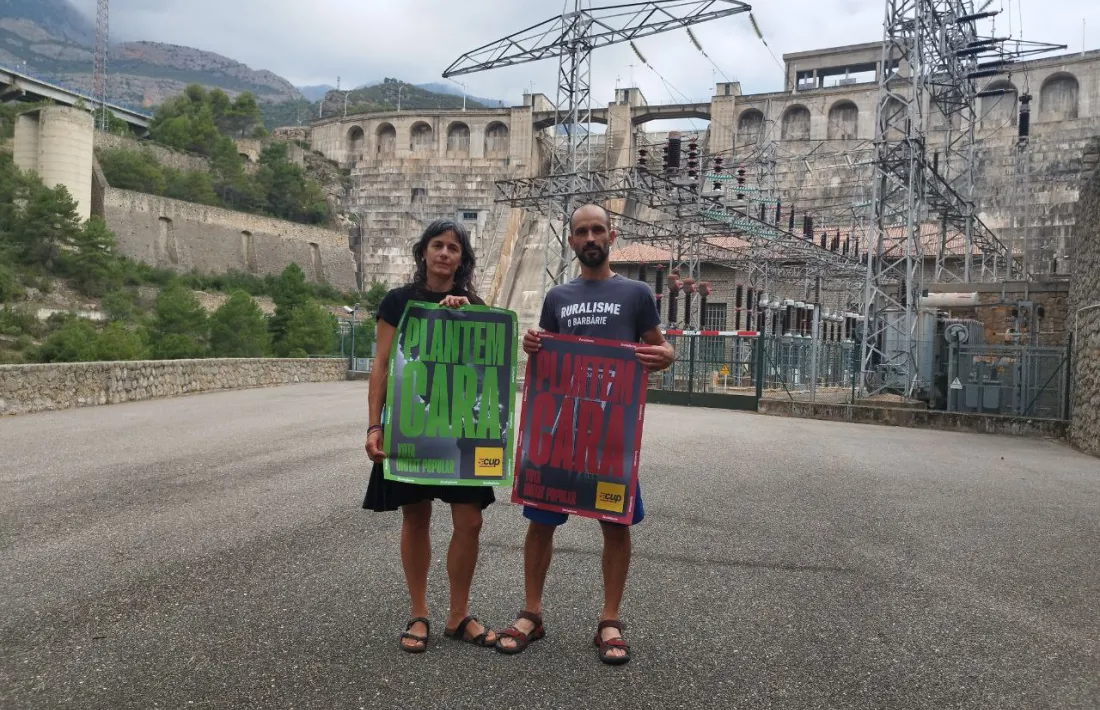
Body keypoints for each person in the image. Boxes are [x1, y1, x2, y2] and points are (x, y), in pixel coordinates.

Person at [495, 203, 676, 665]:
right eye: (582, 231)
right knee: (540, 522)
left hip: (611, 434)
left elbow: (659, 346)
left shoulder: (636, 293)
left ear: (612, 235)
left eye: (598, 230)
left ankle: (609, 620)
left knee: (615, 524)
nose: (591, 238)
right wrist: (532, 343)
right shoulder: (558, 296)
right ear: (572, 240)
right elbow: (547, 353)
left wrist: (668, 354)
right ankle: (531, 613)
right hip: (560, 434)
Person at [363, 219, 499, 654]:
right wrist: (374, 425)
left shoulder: (474, 305)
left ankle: (458, 615)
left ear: (462, 260)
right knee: (416, 516)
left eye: (453, 248)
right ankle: (419, 612)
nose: (444, 253)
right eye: (437, 245)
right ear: (423, 251)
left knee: (470, 522)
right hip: (411, 423)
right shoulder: (398, 301)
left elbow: (485, 368)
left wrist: (466, 315)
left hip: (459, 425)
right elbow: (382, 364)